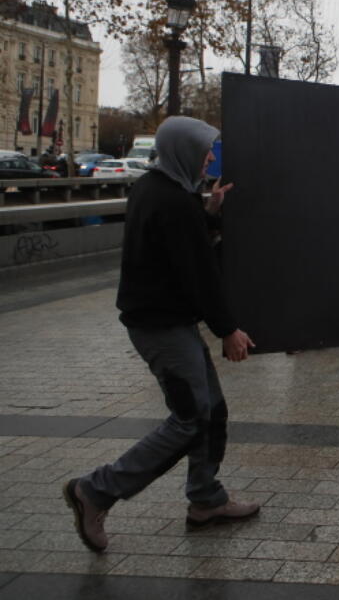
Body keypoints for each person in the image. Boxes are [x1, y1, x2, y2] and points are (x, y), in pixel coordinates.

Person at [62, 116, 259, 553]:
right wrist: (227, 330)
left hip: (164, 322)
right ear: (185, 151)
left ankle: (206, 501)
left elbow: (179, 249)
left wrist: (206, 216)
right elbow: (199, 273)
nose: (211, 156)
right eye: (206, 149)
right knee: (191, 420)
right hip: (162, 327)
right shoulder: (172, 201)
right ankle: (95, 491)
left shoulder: (159, 190)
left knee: (213, 411)